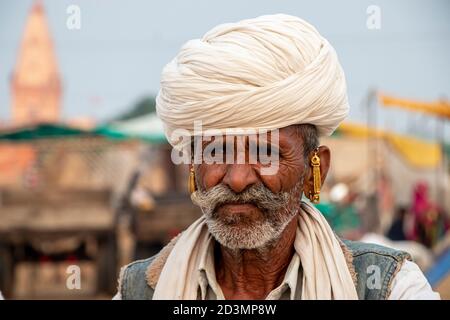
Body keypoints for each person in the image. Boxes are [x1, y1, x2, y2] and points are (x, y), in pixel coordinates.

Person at [114, 14, 439, 300]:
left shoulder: (387, 287)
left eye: (266, 152)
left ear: (317, 168)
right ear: (193, 166)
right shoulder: (141, 290)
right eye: (216, 153)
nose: (238, 179)